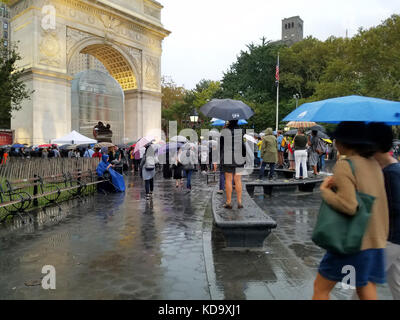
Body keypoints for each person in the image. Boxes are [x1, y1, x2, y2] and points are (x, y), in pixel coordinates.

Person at [313, 122, 389, 300]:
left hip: (353, 242)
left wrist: (325, 191)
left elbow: (349, 206)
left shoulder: (345, 165)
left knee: (320, 289)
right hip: (376, 240)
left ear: (344, 142)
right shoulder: (373, 163)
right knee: (365, 287)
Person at [366, 122, 400, 300]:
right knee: (396, 283)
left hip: (390, 239)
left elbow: (394, 208)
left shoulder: (391, 173)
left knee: (364, 282)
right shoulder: (389, 169)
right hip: (394, 239)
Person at [220, 120, 246, 209]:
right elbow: (242, 145)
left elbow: (221, 145)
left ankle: (229, 202)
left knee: (228, 179)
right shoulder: (241, 131)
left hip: (227, 156)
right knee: (238, 180)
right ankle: (239, 202)